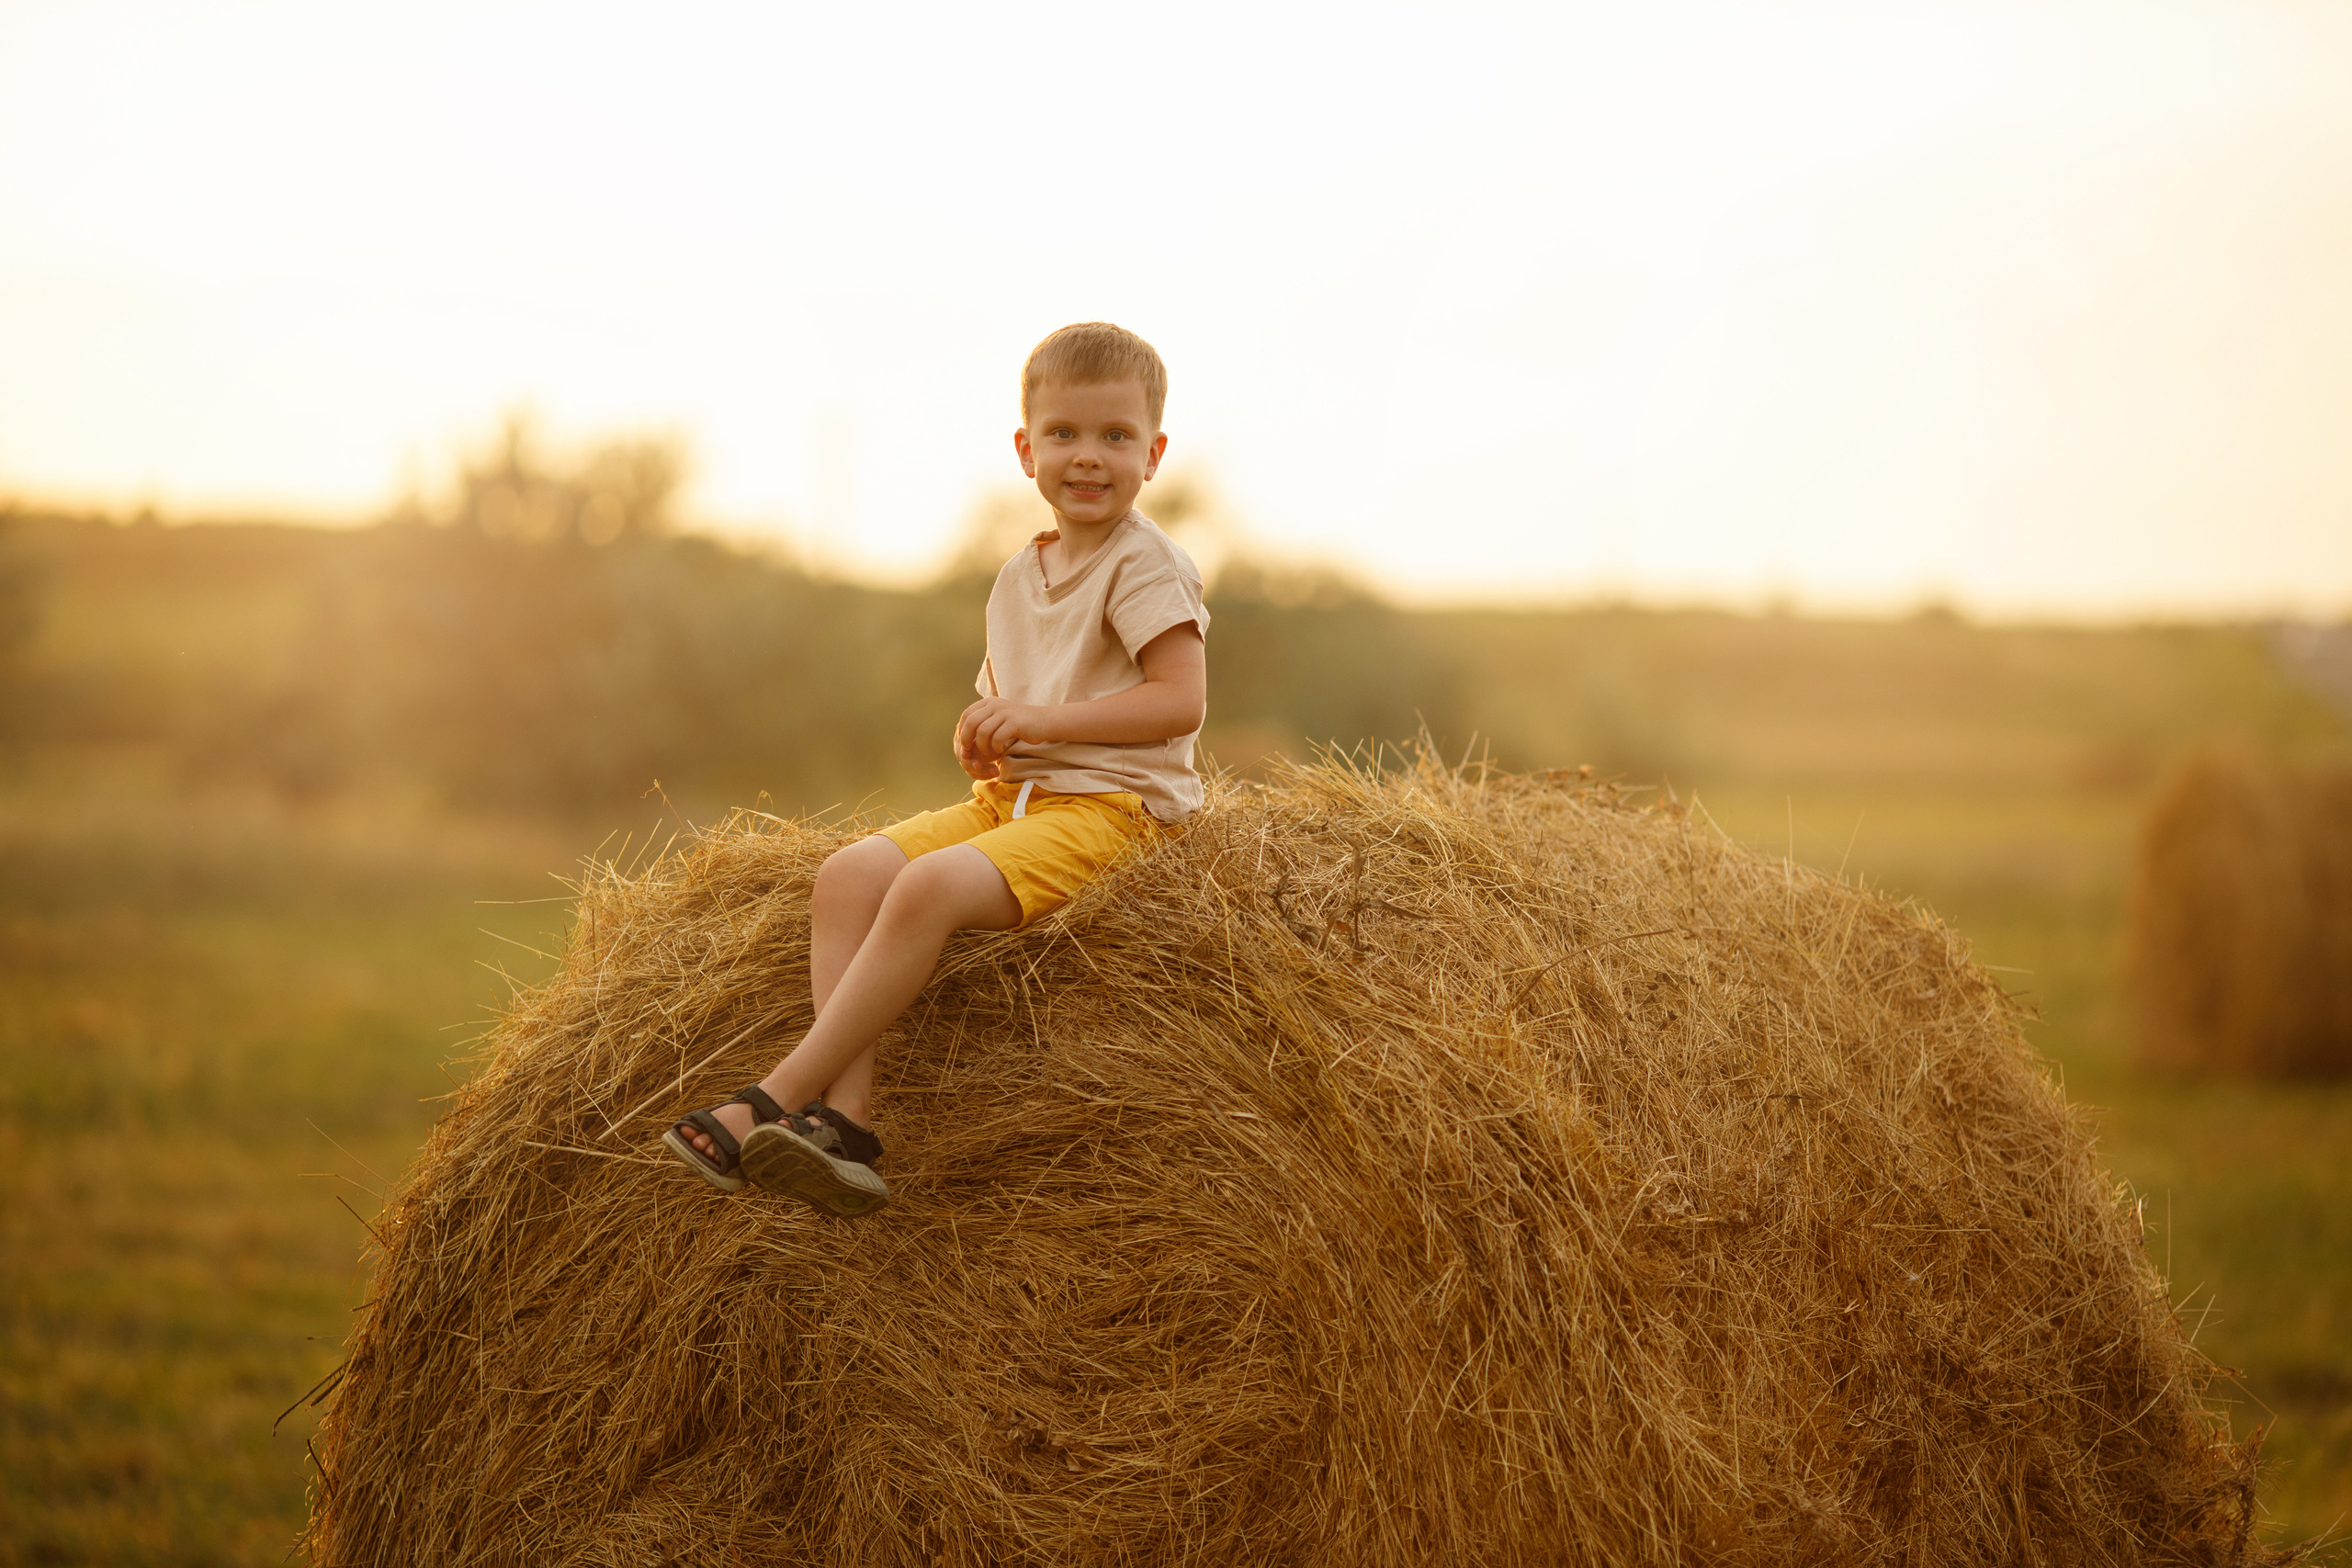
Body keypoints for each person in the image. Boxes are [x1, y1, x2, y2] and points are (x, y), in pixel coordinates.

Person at [663, 321, 1210, 1218]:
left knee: (924, 891)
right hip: (1015, 804)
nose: (1087, 457)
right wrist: (985, 733)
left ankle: (770, 1097)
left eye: (1114, 437)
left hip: (1114, 811)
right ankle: (843, 1123)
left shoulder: (1145, 564)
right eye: (1065, 434)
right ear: (1025, 448)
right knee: (849, 877)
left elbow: (1178, 702)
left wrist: (1040, 720)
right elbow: (1016, 704)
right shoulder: (1017, 576)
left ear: (1152, 454)